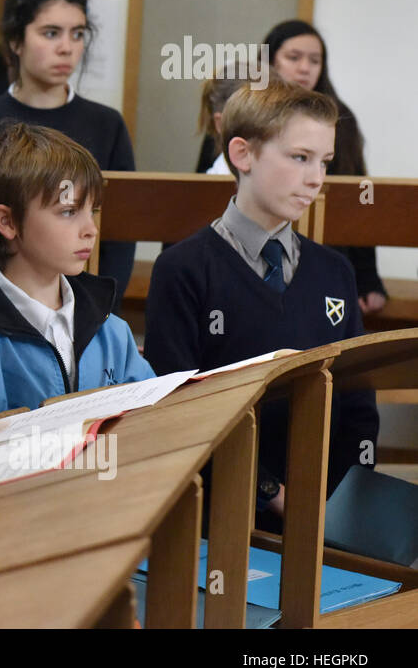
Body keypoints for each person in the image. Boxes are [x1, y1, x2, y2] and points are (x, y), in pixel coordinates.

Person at [145, 82, 378, 516]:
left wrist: (336, 502)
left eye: (323, 161)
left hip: (322, 512)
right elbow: (178, 416)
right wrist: (270, 493)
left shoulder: (334, 271)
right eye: (299, 157)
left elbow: (357, 407)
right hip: (217, 514)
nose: (315, 178)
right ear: (243, 154)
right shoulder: (183, 269)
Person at [0, 0, 136, 309]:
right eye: (50, 33)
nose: (66, 48)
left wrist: (97, 309)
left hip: (89, 309)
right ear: (16, 41)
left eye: (77, 34)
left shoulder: (107, 125)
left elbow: (120, 234)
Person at [0, 124, 155, 411]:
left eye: (93, 211)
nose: (91, 229)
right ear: (8, 222)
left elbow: (151, 420)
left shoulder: (113, 332)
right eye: (68, 211)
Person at [264, 20, 386, 315]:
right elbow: (206, 186)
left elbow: (358, 199)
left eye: (314, 60)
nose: (305, 68)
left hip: (328, 252)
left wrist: (368, 279)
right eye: (294, 58)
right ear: (269, 60)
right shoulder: (242, 113)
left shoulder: (339, 120)